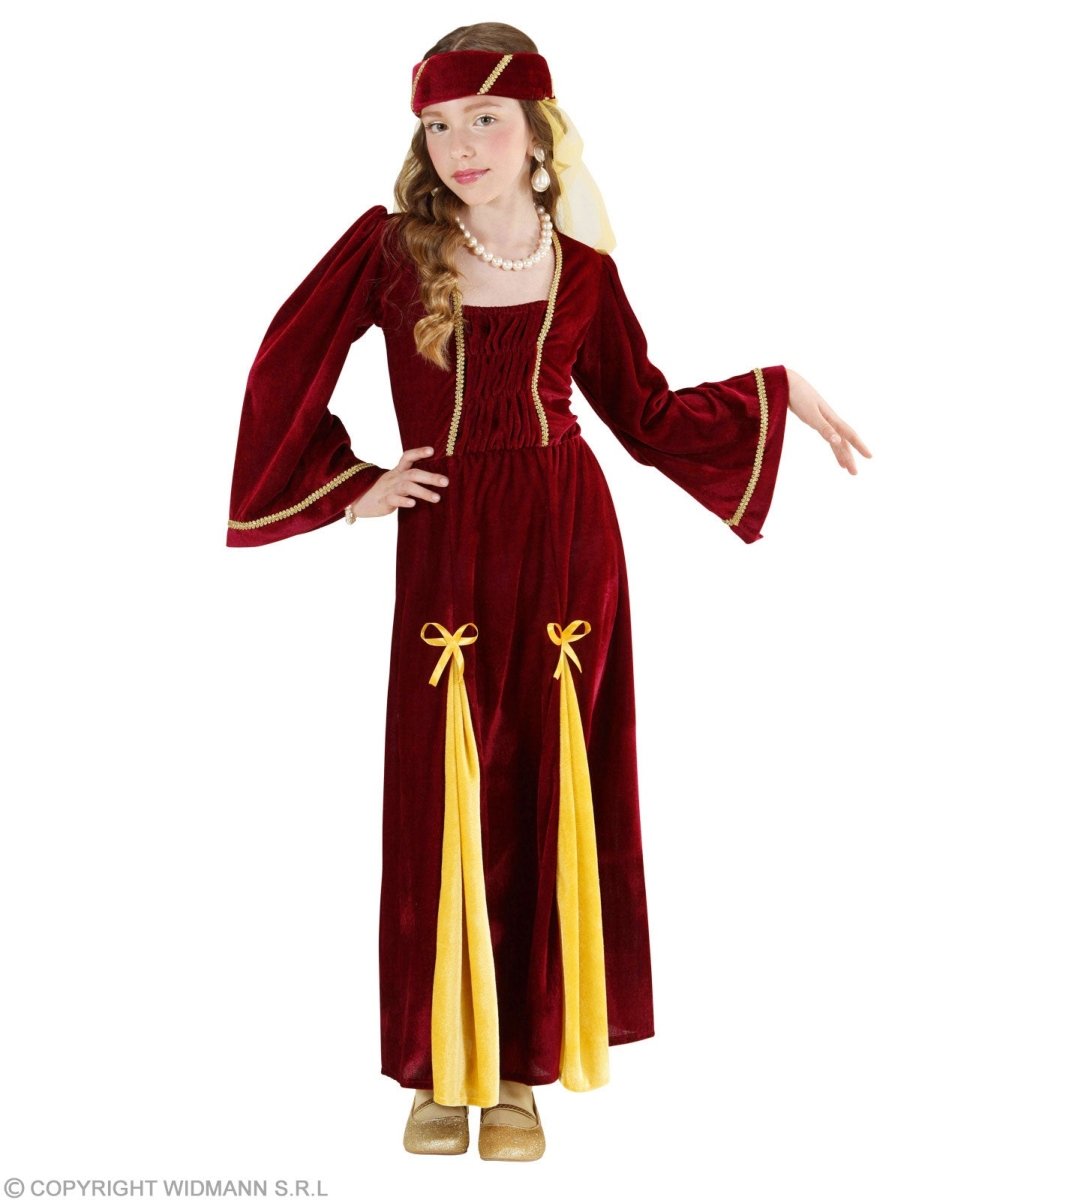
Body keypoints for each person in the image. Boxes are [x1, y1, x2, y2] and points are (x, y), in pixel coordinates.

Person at [225, 22, 871, 1163]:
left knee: (541, 788)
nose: (460, 144)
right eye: (438, 124)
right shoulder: (387, 250)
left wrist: (776, 391)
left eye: (484, 117)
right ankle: (439, 1069)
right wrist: (352, 484)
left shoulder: (585, 272)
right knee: (441, 795)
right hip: (446, 545)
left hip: (570, 550)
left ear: (537, 131)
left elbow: (647, 415)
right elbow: (283, 362)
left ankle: (519, 1071)